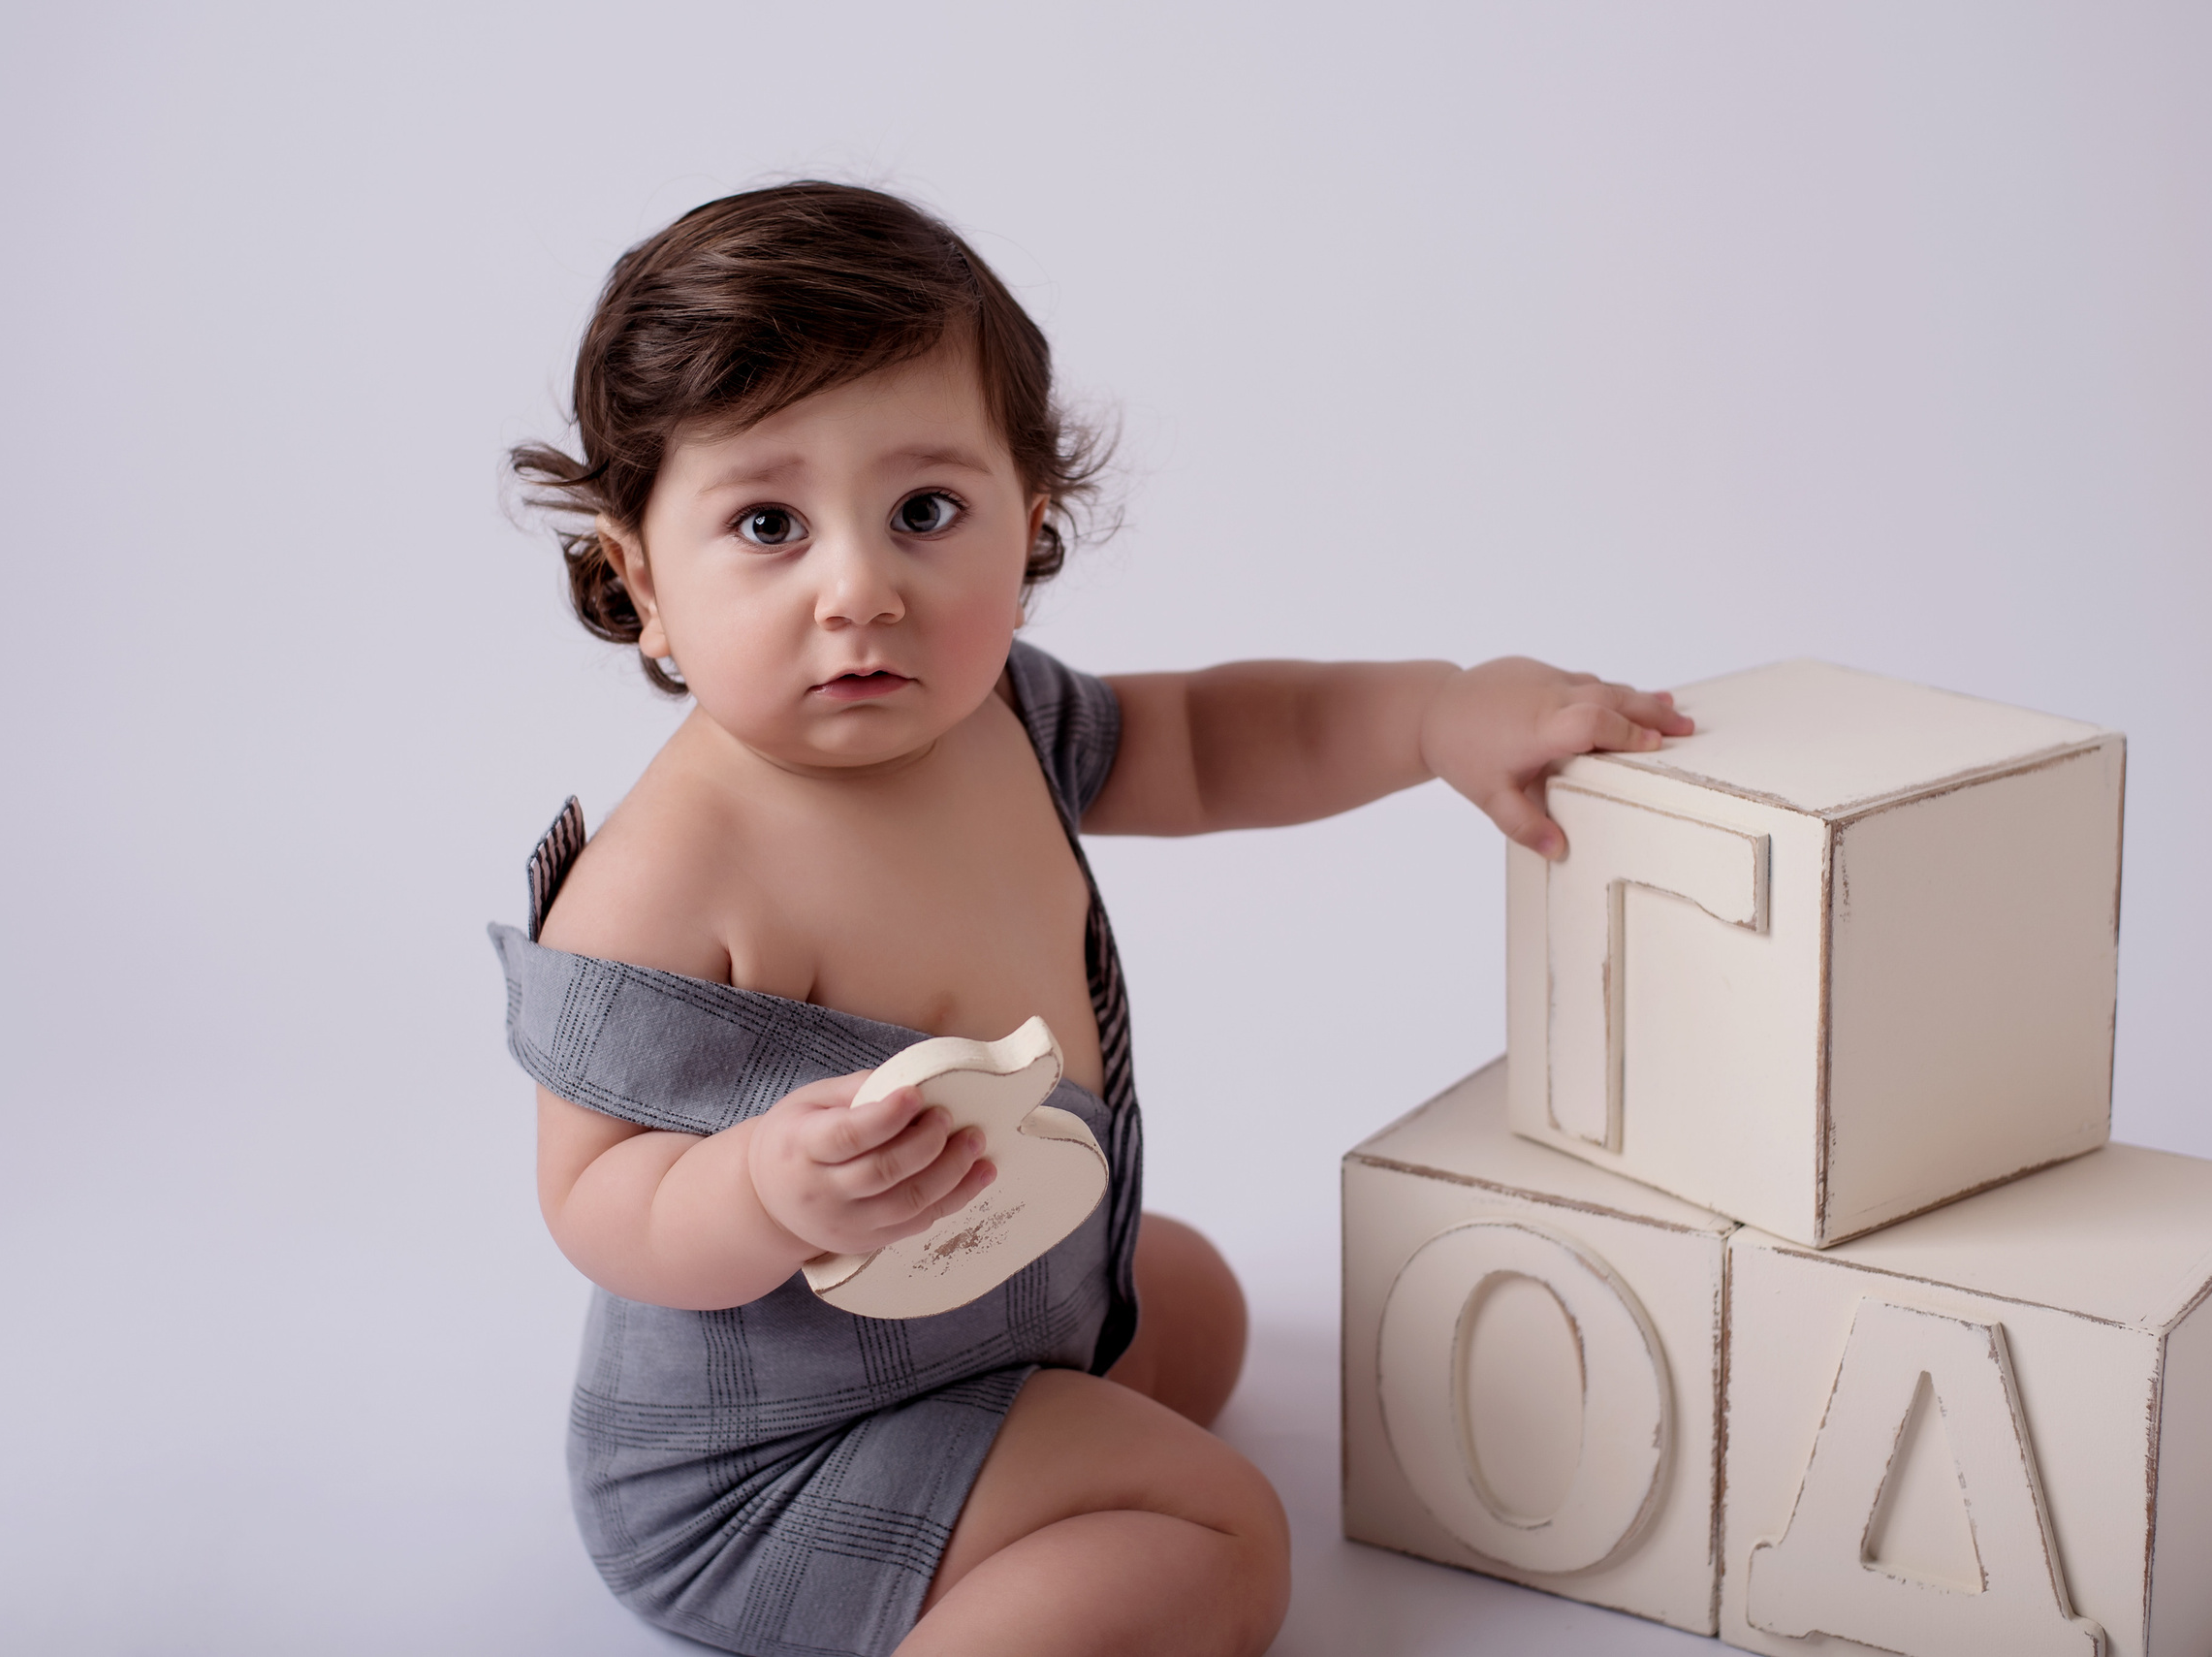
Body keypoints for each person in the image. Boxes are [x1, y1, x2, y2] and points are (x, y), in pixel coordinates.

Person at [492, 181, 1691, 1657]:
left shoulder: (996, 713)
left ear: (1031, 519)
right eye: (767, 523)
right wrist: (760, 1192)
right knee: (1214, 1532)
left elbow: (1210, 743)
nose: (860, 587)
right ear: (642, 581)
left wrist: (1436, 711)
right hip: (772, 1467)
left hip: (985, 1312)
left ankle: (1031, 1476)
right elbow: (597, 1199)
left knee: (1194, 1298)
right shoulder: (677, 870)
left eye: (924, 511)